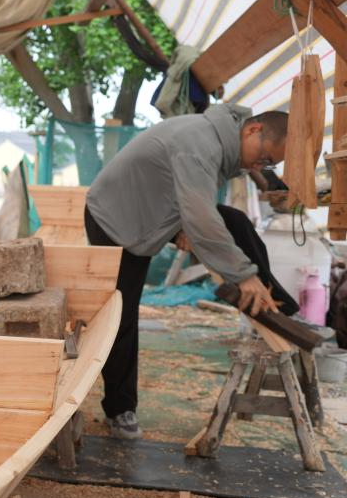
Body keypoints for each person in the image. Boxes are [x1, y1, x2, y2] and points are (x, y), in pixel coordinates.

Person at [85, 106, 297, 439]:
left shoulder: (222, 143)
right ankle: (119, 408)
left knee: (238, 223)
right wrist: (242, 274)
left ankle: (279, 308)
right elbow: (202, 217)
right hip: (117, 218)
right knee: (120, 316)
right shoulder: (201, 143)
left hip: (158, 208)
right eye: (264, 157)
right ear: (252, 130)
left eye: (268, 165)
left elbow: (198, 205)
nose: (260, 167)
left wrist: (185, 223)